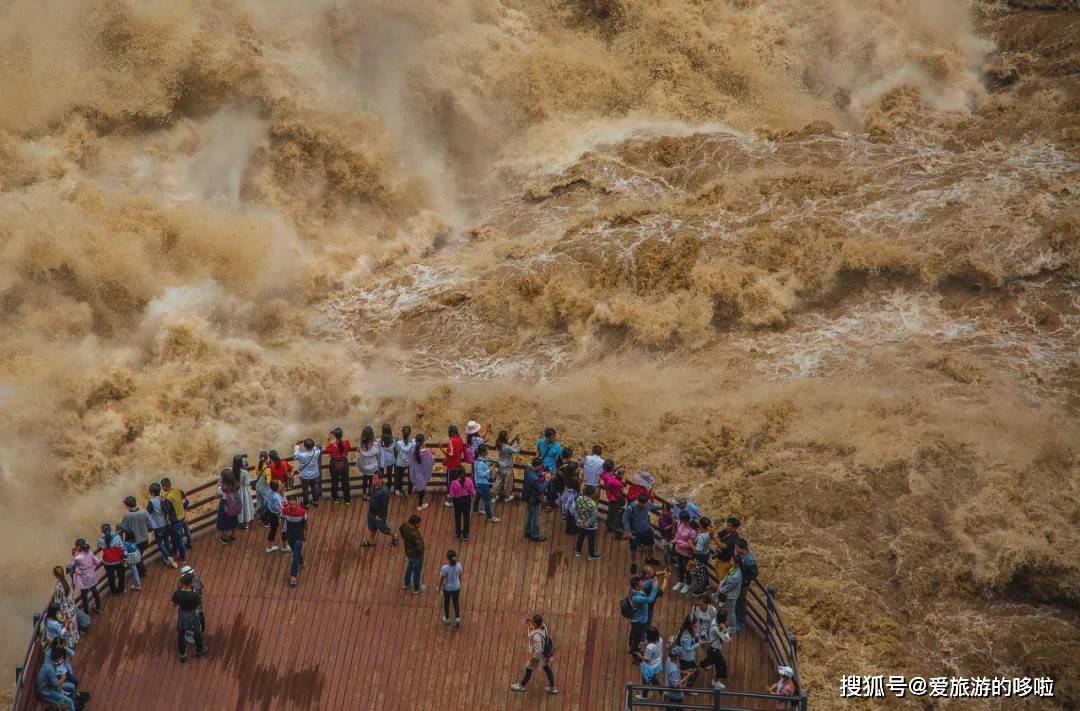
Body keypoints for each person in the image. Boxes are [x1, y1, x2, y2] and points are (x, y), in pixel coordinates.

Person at [510, 614, 558, 695]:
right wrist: (528, 622)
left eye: (533, 622)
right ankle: (553, 687)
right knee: (547, 669)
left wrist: (532, 659)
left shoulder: (536, 637)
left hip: (539, 656)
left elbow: (538, 650)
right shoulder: (543, 626)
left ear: (536, 624)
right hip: (545, 654)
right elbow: (536, 627)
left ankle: (521, 685)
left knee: (529, 668)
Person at [172, 573, 208, 662]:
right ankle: (199, 650)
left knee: (181, 634)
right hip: (192, 614)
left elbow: (174, 604)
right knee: (197, 632)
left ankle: (182, 655)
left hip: (183, 614)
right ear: (191, 583)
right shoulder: (195, 595)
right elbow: (198, 605)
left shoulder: (177, 593)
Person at [35, 644, 81, 710]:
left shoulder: (49, 656)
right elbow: (57, 685)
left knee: (72, 686)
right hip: (46, 691)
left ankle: (77, 697)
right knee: (70, 702)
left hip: (50, 685)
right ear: (59, 658)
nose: (63, 660)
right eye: (62, 658)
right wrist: (62, 691)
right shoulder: (50, 669)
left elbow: (52, 648)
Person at [694, 608, 731, 690]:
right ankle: (714, 681)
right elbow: (727, 639)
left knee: (708, 662)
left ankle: (695, 669)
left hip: (713, 649)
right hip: (715, 650)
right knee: (722, 666)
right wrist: (725, 629)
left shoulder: (715, 621)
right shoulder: (716, 628)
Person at [146, 482, 181, 567]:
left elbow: (147, 513)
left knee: (159, 542)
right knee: (166, 540)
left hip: (158, 525)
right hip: (166, 523)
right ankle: (169, 555)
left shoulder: (152, 502)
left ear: (153, 492)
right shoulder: (163, 498)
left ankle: (168, 557)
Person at [361, 472, 399, 547]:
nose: (373, 480)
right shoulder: (373, 485)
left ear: (381, 479)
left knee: (383, 528)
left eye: (375, 479)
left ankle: (395, 535)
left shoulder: (385, 492)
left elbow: (384, 506)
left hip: (379, 514)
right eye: (373, 478)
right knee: (372, 527)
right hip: (371, 511)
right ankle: (371, 541)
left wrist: (379, 515)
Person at [627, 574, 660, 656]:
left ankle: (632, 647)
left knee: (633, 634)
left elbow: (647, 584)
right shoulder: (636, 598)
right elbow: (650, 599)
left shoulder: (636, 589)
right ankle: (635, 651)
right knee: (636, 637)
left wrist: (653, 580)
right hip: (639, 622)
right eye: (641, 582)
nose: (643, 582)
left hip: (636, 618)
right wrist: (655, 587)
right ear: (637, 585)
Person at [118, 495, 151, 577]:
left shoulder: (128, 516)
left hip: (136, 541)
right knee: (139, 556)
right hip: (145, 539)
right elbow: (149, 523)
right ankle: (142, 571)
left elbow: (123, 527)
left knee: (137, 558)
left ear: (128, 506)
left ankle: (143, 572)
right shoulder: (144, 512)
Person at [67, 539, 100, 614]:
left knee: (84, 598)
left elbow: (72, 565)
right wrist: (91, 567)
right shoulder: (90, 553)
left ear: (78, 547)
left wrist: (73, 554)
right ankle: (98, 608)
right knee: (95, 592)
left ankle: (86, 613)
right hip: (92, 577)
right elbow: (97, 562)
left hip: (84, 580)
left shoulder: (78, 558)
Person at [522, 457, 550, 542]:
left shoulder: (528, 470)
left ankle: (527, 531)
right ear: (537, 466)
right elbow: (540, 489)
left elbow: (534, 477)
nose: (541, 467)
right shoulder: (534, 478)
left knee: (529, 514)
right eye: (540, 466)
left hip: (528, 496)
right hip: (534, 498)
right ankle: (535, 535)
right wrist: (547, 480)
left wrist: (541, 475)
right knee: (535, 517)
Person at [281, 494, 308, 587]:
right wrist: (283, 534)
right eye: (290, 504)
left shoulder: (302, 512)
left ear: (297, 503)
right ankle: (302, 561)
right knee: (295, 552)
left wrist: (305, 533)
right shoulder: (285, 511)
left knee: (295, 556)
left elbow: (305, 524)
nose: (292, 506)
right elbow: (283, 521)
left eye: (294, 504)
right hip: (290, 536)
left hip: (299, 536)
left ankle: (293, 577)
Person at [50, 567, 80, 647]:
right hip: (72, 606)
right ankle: (76, 639)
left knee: (68, 629)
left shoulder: (58, 587)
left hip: (65, 611)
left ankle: (71, 644)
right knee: (74, 624)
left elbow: (57, 602)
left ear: (56, 576)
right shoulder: (69, 578)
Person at [470, 444, 500, 522]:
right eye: (487, 450)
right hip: (482, 483)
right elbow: (481, 474)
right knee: (487, 501)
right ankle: (490, 517)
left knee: (477, 496)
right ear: (483, 452)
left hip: (479, 483)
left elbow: (486, 463)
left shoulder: (480, 459)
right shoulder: (480, 463)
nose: (488, 451)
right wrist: (489, 470)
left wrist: (491, 465)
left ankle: (475, 510)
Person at [160, 477, 192, 550]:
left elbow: (166, 509)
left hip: (177, 519)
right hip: (184, 515)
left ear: (164, 487)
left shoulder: (168, 497)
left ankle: (181, 553)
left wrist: (162, 501)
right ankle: (189, 544)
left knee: (178, 536)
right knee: (187, 531)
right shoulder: (178, 490)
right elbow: (186, 500)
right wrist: (184, 508)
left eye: (162, 487)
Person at [734, 538, 758, 632]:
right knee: (735, 599)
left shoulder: (750, 559)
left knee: (741, 601)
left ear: (742, 548)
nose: (735, 548)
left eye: (737, 547)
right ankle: (735, 616)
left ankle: (740, 619)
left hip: (743, 584)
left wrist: (745, 580)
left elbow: (754, 574)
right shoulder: (738, 554)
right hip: (736, 581)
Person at [574, 485, 603, 560]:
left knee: (580, 537)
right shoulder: (593, 504)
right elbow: (594, 516)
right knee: (591, 540)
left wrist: (578, 520)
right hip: (591, 527)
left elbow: (575, 510)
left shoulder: (579, 499)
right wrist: (588, 523)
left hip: (580, 524)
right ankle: (591, 555)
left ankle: (578, 551)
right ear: (592, 494)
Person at [717, 548, 743, 632]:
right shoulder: (733, 569)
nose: (730, 561)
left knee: (731, 611)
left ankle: (733, 627)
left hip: (731, 595)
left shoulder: (736, 576)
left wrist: (721, 589)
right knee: (728, 609)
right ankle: (729, 622)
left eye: (732, 561)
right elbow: (726, 577)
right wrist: (721, 583)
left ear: (737, 564)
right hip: (728, 593)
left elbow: (729, 586)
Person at [670, 615, 700, 687]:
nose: (696, 624)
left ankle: (683, 684)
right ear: (691, 624)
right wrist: (699, 644)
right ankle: (688, 688)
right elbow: (687, 648)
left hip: (682, 656)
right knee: (695, 670)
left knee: (683, 670)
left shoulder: (684, 629)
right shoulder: (686, 635)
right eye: (695, 623)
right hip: (686, 657)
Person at [635, 627, 664, 700]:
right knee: (653, 678)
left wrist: (639, 655)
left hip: (649, 666)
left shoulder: (649, 647)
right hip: (657, 663)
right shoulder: (660, 640)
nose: (645, 635)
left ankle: (644, 696)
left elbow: (646, 660)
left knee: (645, 681)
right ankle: (661, 691)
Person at [293, 438, 323, 507]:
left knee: (305, 490)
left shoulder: (302, 455)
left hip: (305, 476)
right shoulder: (316, 452)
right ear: (313, 446)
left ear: (305, 446)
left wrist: (297, 445)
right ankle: (315, 501)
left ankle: (306, 504)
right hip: (315, 474)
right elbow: (317, 448)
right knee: (314, 488)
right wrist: (313, 446)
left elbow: (295, 456)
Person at [400, 514, 425, 594]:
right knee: (417, 571)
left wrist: (403, 537)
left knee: (410, 566)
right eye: (419, 523)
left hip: (408, 552)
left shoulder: (406, 524)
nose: (420, 524)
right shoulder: (415, 533)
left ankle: (406, 583)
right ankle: (416, 588)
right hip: (416, 555)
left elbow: (400, 528)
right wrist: (421, 552)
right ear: (415, 524)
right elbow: (420, 546)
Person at [98, 523, 126, 596]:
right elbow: (122, 548)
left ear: (102, 531)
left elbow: (99, 546)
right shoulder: (117, 537)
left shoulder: (101, 540)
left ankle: (114, 592)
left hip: (108, 563)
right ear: (110, 529)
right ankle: (121, 590)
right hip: (118, 561)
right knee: (121, 576)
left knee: (111, 578)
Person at [326, 428, 352, 505]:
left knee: (334, 482)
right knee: (345, 482)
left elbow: (327, 450)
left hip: (334, 464)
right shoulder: (347, 443)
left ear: (334, 436)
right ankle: (347, 500)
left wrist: (328, 439)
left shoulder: (332, 445)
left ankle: (335, 498)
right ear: (342, 435)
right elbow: (348, 449)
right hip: (344, 463)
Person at [438, 549, 463, 629]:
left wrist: (439, 587)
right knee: (456, 602)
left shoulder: (445, 568)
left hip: (447, 588)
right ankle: (457, 618)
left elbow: (442, 578)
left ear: (448, 558)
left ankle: (447, 619)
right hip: (456, 587)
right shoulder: (459, 565)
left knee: (446, 602)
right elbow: (459, 575)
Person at [449, 469, 476, 541]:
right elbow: (472, 493)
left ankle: (458, 534)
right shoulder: (469, 481)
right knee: (466, 517)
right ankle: (465, 535)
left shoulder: (453, 483)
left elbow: (451, 495)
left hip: (457, 501)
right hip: (466, 500)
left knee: (457, 517)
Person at [691, 517, 715, 594]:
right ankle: (706, 583)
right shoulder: (709, 532)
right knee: (704, 569)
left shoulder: (701, 537)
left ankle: (702, 589)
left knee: (700, 572)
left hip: (700, 556)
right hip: (706, 553)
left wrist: (690, 544)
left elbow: (698, 550)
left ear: (700, 525)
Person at [442, 424, 465, 507]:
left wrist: (442, 449)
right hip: (458, 465)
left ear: (451, 433)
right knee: (457, 483)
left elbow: (450, 454)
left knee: (450, 485)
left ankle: (451, 501)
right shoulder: (460, 440)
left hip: (451, 467)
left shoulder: (452, 441)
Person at [672, 514, 696, 594]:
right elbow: (677, 534)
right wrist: (675, 538)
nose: (680, 521)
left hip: (686, 553)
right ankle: (680, 581)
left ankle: (688, 584)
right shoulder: (680, 524)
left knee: (687, 569)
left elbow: (690, 544)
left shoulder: (692, 530)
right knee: (680, 567)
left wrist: (677, 541)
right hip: (678, 550)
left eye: (681, 520)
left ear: (685, 520)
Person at [216, 468, 241, 544]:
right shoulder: (236, 485)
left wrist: (218, 485)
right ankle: (233, 537)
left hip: (225, 506)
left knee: (224, 523)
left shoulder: (222, 488)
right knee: (234, 521)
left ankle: (224, 538)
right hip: (234, 505)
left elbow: (217, 495)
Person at [410, 433, 434, 510]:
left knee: (420, 488)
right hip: (423, 474)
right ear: (423, 441)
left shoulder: (413, 450)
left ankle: (421, 501)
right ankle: (420, 505)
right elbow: (431, 462)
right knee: (422, 490)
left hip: (416, 473)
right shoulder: (427, 452)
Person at [600, 462, 625, 536]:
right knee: (616, 515)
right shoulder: (614, 482)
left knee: (610, 513)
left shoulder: (605, 475)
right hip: (615, 499)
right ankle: (618, 532)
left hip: (610, 497)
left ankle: (609, 527)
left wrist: (619, 466)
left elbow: (612, 471)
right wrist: (622, 478)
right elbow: (619, 488)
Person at [356, 425, 380, 501]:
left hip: (363, 465)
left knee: (364, 480)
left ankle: (364, 495)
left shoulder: (360, 443)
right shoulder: (375, 444)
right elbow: (377, 454)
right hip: (372, 466)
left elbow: (358, 450)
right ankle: (369, 495)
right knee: (371, 481)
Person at [261, 479, 285, 553]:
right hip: (275, 515)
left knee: (273, 528)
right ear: (277, 487)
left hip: (271, 512)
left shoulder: (270, 491)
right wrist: (283, 509)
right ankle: (269, 547)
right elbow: (278, 508)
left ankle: (270, 546)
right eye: (280, 485)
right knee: (273, 530)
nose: (281, 485)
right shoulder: (276, 497)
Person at [393, 425, 415, 498]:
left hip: (400, 462)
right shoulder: (413, 442)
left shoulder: (398, 443)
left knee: (399, 477)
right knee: (410, 478)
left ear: (402, 433)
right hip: (410, 463)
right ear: (410, 433)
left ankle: (398, 490)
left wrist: (396, 441)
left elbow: (396, 451)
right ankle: (409, 492)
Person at [379, 423, 397, 488]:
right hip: (391, 459)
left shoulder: (379, 440)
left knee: (381, 474)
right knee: (389, 474)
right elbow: (396, 449)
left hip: (382, 459)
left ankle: (381, 487)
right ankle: (389, 487)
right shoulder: (394, 440)